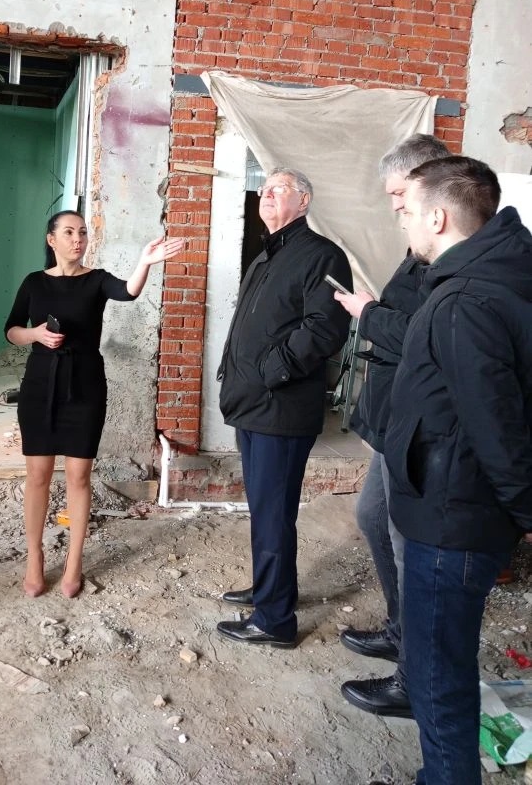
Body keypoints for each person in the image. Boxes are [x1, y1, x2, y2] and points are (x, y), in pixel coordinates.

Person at [386, 156, 532, 785]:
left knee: (436, 677)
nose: (404, 221)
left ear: (439, 218)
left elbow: (495, 425)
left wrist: (527, 512)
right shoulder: (499, 273)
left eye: (410, 210)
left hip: (452, 519)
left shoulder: (463, 301)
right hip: (460, 506)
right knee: (440, 665)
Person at [4, 211, 184, 599]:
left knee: (79, 476)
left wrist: (145, 262)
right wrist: (36, 334)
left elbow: (128, 292)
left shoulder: (97, 279)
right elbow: (12, 330)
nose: (78, 239)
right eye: (69, 232)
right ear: (51, 240)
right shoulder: (34, 282)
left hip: (85, 386)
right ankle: (34, 558)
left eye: (83, 233)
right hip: (40, 386)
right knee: (37, 476)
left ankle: (74, 562)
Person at [333, 134, 450, 718]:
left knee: (404, 538)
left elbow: (424, 338)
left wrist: (369, 314)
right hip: (394, 414)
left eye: (399, 194)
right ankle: (401, 631)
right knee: (373, 517)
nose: (395, 206)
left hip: (420, 420)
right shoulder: (419, 247)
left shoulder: (448, 255)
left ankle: (414, 679)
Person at [216, 167, 352, 648]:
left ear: (304, 201)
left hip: (281, 406)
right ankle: (270, 590)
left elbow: (325, 328)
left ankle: (275, 621)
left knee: (274, 514)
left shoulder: (322, 255)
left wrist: (271, 372)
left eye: (280, 189)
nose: (267, 194)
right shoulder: (268, 253)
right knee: (263, 509)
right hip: (254, 403)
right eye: (265, 188)